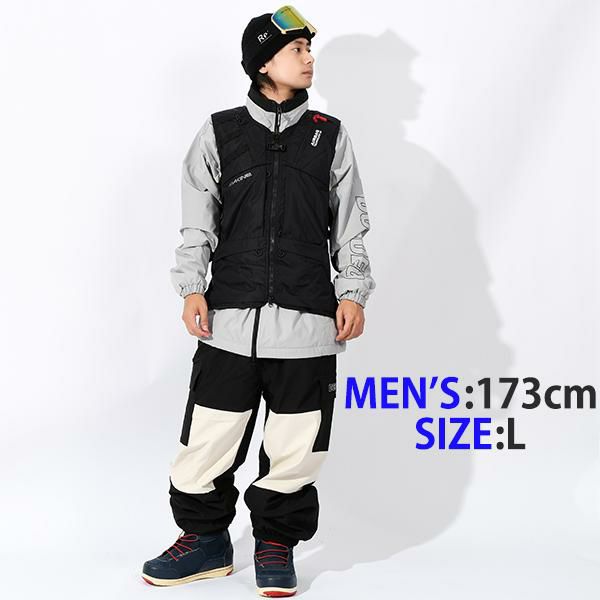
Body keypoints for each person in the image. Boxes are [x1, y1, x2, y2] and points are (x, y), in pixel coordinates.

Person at [141, 6, 375, 597]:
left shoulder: (329, 135)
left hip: (307, 322)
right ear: (264, 62)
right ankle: (205, 540)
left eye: (309, 49)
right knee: (207, 439)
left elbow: (351, 226)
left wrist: (352, 291)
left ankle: (275, 544)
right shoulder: (219, 132)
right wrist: (191, 287)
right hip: (229, 320)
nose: (309, 58)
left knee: (296, 445)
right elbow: (197, 224)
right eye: (297, 50)